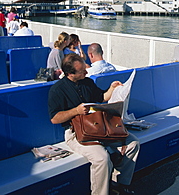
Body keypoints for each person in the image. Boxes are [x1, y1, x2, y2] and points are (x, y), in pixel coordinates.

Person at [48, 54, 139, 195]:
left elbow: (102, 97)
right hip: (76, 133)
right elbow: (54, 118)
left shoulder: (87, 82)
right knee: (102, 158)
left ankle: (118, 183)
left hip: (98, 128)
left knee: (133, 143)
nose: (86, 72)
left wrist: (112, 88)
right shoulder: (57, 90)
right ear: (70, 74)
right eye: (82, 71)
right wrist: (75, 111)